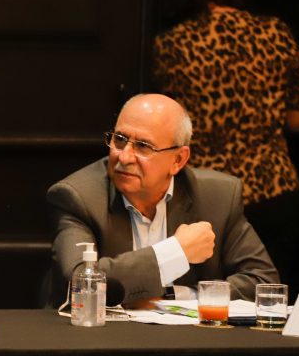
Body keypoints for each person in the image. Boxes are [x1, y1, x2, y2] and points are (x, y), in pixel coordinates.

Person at [153, 0, 299, 287]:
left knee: (204, 296)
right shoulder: (275, 33)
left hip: (206, 193)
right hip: (274, 187)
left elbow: (164, 122)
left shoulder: (173, 44)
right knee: (270, 296)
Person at [46, 93, 277, 306]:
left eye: (143, 146)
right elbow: (79, 282)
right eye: (120, 139)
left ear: (178, 160)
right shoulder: (78, 197)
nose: (124, 157)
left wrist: (176, 296)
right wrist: (177, 251)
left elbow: (262, 282)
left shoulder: (218, 197)